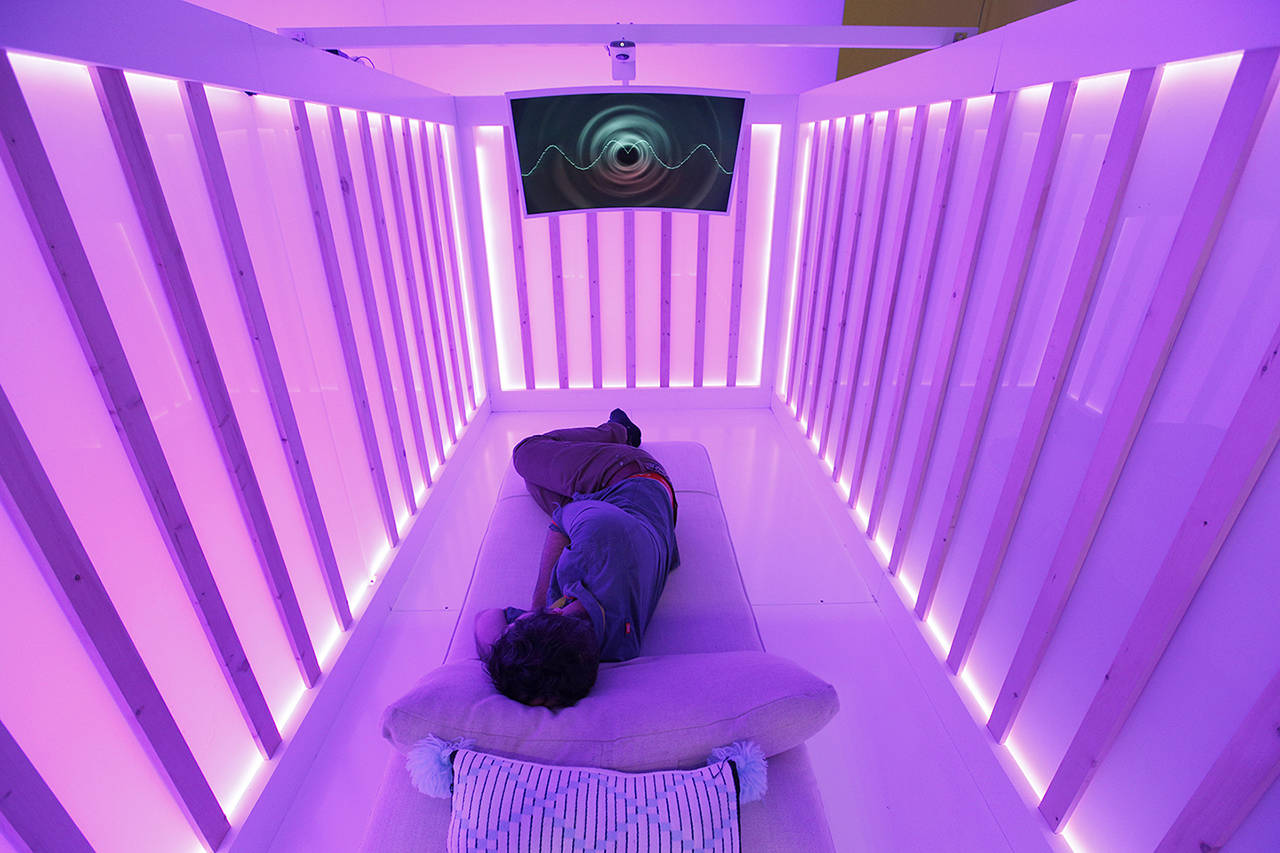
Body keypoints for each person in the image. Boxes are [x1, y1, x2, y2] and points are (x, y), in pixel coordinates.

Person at [473, 409, 679, 709]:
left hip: (630, 522)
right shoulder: (599, 542)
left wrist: (527, 627)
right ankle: (619, 432)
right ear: (554, 615)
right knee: (526, 453)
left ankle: (601, 453)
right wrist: (537, 604)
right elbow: (559, 522)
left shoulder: (605, 648)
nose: (513, 620)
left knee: (537, 483)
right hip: (633, 475)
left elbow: (485, 620)